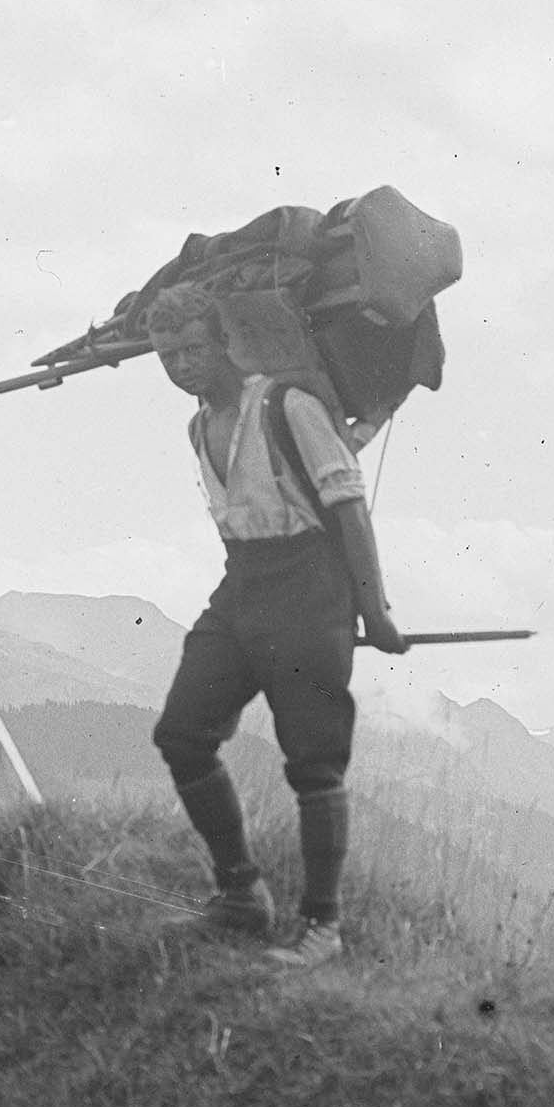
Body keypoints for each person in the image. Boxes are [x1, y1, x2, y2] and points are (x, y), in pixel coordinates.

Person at [146, 285, 408, 968]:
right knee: (182, 732)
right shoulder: (198, 426)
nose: (180, 367)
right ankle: (241, 893)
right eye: (166, 356)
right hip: (243, 583)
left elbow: (348, 508)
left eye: (192, 349)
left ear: (224, 341)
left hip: (310, 584)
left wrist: (372, 609)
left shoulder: (289, 406)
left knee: (313, 761)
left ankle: (322, 925)